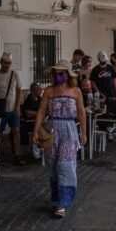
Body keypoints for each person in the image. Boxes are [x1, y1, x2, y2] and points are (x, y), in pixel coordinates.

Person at [33, 60, 87, 218]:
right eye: (56, 73)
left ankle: (63, 203)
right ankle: (57, 199)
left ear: (68, 75)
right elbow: (41, 112)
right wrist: (36, 131)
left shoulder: (76, 91)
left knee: (66, 165)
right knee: (53, 166)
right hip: (52, 130)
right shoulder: (49, 91)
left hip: (69, 130)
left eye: (61, 74)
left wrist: (83, 132)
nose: (58, 76)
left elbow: (81, 112)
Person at [0, 53, 23, 165]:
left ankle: (16, 154)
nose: (7, 65)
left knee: (16, 130)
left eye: (9, 63)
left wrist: (17, 106)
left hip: (13, 109)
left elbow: (19, 91)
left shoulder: (14, 74)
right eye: (5, 63)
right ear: (1, 62)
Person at [20, 83, 43, 160]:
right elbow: (27, 113)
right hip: (30, 123)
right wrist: (39, 114)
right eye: (39, 90)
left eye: (40, 89)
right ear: (33, 91)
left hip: (39, 121)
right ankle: (36, 152)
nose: (40, 91)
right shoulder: (29, 100)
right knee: (38, 131)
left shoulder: (40, 99)